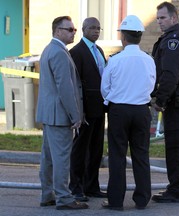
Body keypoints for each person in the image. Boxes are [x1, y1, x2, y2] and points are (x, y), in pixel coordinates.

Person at [100, 15, 156, 210]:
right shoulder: (149, 60)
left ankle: (115, 201)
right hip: (141, 111)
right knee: (141, 155)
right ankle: (142, 199)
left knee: (117, 156)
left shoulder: (115, 60)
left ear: (123, 37)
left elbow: (104, 88)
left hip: (119, 111)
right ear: (140, 36)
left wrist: (115, 98)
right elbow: (151, 85)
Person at [36, 16, 88, 210]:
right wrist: (75, 116)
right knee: (61, 159)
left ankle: (47, 194)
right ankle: (64, 198)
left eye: (74, 29)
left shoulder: (50, 49)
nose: (74, 32)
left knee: (48, 158)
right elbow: (65, 88)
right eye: (70, 29)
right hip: (59, 116)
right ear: (58, 31)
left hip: (50, 114)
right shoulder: (58, 53)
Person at [150, 2, 179, 203]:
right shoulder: (177, 38)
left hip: (177, 103)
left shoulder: (174, 41)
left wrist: (160, 99)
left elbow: (170, 74)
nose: (159, 21)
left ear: (175, 18)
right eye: (158, 18)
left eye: (163, 18)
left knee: (176, 147)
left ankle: (177, 190)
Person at [69, 17, 107, 202]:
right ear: (83, 29)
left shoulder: (98, 50)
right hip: (85, 109)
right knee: (81, 149)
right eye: (92, 27)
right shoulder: (77, 52)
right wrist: (79, 109)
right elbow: (76, 83)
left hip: (100, 107)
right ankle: (76, 187)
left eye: (98, 28)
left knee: (96, 148)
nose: (96, 31)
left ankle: (92, 186)